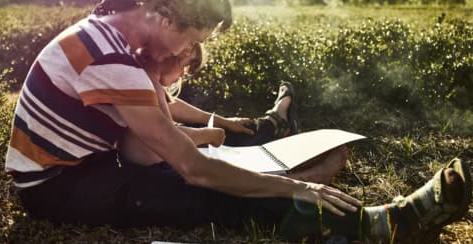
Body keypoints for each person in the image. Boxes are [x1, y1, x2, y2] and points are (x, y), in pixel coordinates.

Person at [5, 0, 471, 244]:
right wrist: (290, 187)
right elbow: (193, 167)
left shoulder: (107, 35)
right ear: (162, 17)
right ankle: (382, 224)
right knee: (206, 194)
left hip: (91, 164)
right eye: (193, 38)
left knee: (212, 178)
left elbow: (157, 135)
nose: (188, 51)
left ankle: (311, 189)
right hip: (58, 186)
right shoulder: (111, 57)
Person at [120, 42, 349, 184]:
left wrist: (221, 123)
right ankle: (298, 178)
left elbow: (172, 107)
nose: (182, 75)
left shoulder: (149, 81)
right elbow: (156, 137)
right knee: (219, 168)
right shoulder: (140, 78)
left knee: (230, 130)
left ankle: (274, 123)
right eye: (183, 65)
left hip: (162, 154)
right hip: (155, 166)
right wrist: (208, 134)